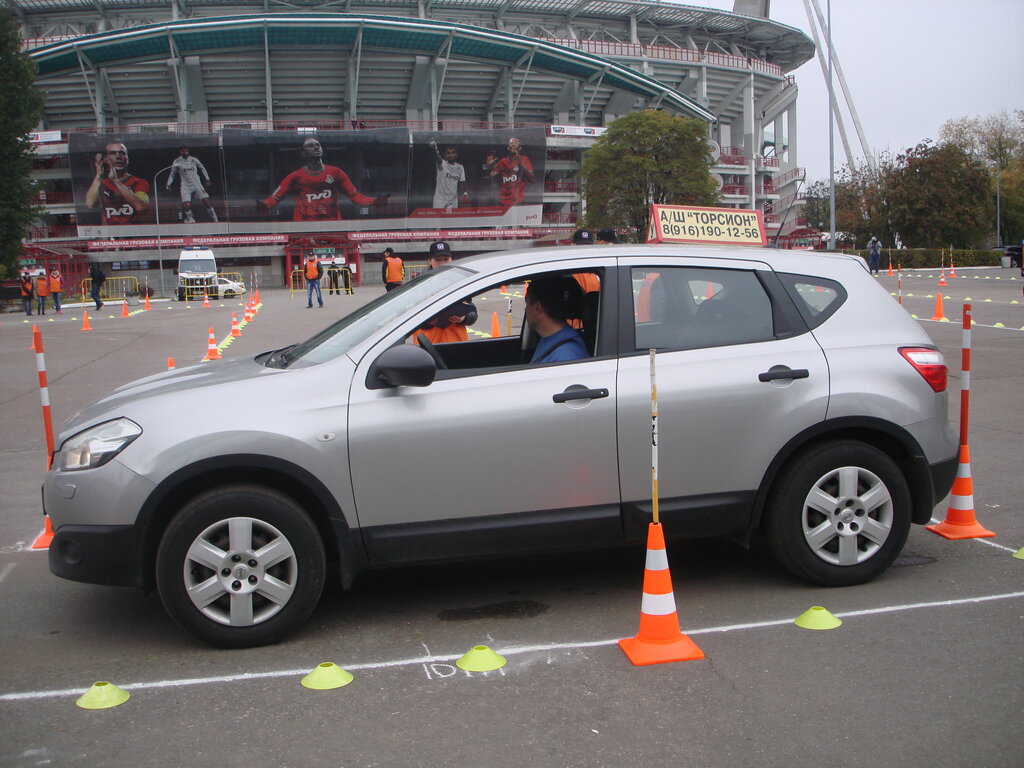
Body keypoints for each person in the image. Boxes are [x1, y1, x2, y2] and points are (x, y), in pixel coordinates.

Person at [261, 138, 388, 221]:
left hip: (333, 225)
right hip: (305, 227)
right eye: (311, 146)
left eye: (318, 145)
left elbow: (355, 196)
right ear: (303, 153)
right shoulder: (295, 177)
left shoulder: (336, 172)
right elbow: (275, 198)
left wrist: (375, 201)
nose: (316, 147)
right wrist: (263, 205)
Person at [413, 241, 477, 345]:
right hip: (427, 345)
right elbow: (408, 319)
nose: (442, 263)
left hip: (456, 343)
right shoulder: (419, 285)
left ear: (452, 260)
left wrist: (463, 318)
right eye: (438, 260)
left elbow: (473, 313)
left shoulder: (461, 283)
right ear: (429, 261)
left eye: (446, 259)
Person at [526, 276, 589, 364]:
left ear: (537, 308)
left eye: (527, 304)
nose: (526, 309)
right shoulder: (550, 338)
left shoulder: (566, 356)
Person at [85, 141, 150, 225]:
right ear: (105, 159)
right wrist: (98, 175)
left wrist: (115, 181)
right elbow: (89, 204)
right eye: (113, 153)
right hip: (109, 234)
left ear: (127, 158)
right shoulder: (101, 183)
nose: (118, 156)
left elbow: (141, 206)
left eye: (122, 153)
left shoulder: (139, 182)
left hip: (133, 233)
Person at [166, 147, 218, 223]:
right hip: (186, 186)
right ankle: (191, 219)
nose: (185, 152)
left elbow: (202, 168)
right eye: (183, 151)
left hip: (197, 184)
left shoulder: (194, 159)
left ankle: (216, 220)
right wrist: (168, 184)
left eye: (186, 151)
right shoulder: (177, 161)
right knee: (186, 205)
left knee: (206, 202)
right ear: (181, 152)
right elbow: (172, 173)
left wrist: (207, 179)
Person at [486, 137, 535, 207]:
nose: (513, 145)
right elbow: (490, 177)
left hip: (518, 201)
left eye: (516, 143)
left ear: (519, 148)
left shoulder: (525, 160)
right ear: (508, 148)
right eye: (511, 143)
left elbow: (532, 180)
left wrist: (522, 165)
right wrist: (490, 165)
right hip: (503, 201)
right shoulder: (502, 162)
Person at [429, 141, 469, 209]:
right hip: (440, 200)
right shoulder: (442, 164)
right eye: (448, 153)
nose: (451, 155)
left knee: (452, 220)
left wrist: (465, 193)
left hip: (453, 201)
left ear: (456, 154)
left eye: (453, 153)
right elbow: (438, 158)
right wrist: (434, 149)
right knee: (437, 219)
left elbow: (463, 182)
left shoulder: (460, 167)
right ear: (445, 155)